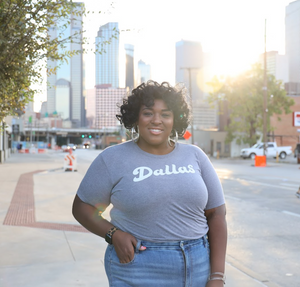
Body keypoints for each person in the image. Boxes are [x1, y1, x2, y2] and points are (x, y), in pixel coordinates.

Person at [72, 81, 227, 287]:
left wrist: (217, 276)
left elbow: (216, 214)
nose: (156, 120)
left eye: (165, 114)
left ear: (175, 119)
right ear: (136, 117)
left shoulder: (195, 156)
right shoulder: (113, 158)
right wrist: (113, 234)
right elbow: (82, 207)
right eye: (148, 113)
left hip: (196, 265)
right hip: (136, 266)